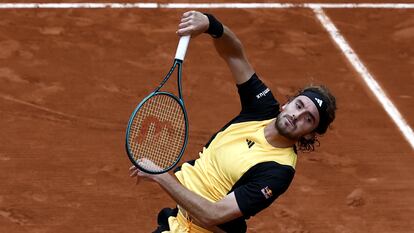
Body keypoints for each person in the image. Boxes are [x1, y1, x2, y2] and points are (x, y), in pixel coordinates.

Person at [130, 11, 337, 233]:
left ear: (309, 134)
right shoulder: (263, 108)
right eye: (299, 105)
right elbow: (235, 56)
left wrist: (161, 176)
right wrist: (211, 24)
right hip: (179, 217)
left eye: (309, 118)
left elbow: (213, 215)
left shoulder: (278, 172)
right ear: (287, 103)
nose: (297, 115)